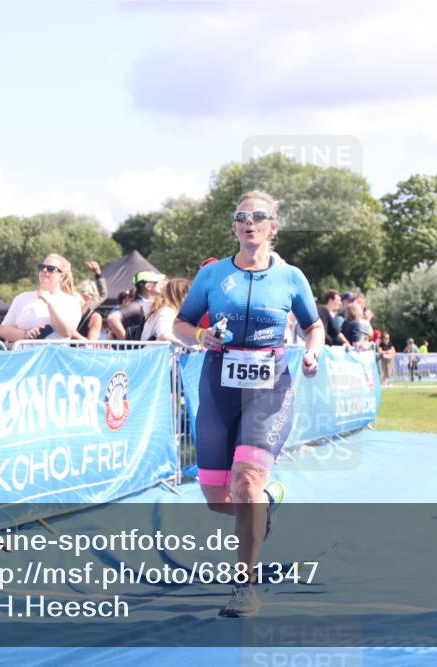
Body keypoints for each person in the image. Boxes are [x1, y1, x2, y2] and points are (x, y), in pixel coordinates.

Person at [174, 190, 323, 618]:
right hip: (218, 388)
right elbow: (182, 323)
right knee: (219, 499)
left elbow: (314, 326)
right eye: (241, 216)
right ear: (234, 226)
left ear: (272, 226)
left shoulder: (292, 277)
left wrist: (313, 352)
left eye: (258, 216)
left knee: (246, 487)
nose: (249, 222)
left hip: (270, 389)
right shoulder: (212, 276)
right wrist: (199, 336)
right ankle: (269, 501)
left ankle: (244, 587)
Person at [0, 254, 81, 344]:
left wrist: (49, 302)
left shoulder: (72, 302)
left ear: (62, 276)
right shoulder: (22, 298)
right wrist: (25, 335)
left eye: (50, 268)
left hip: (55, 356)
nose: (44, 270)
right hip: (25, 356)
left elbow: (67, 332)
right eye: (42, 267)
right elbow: (3, 330)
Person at [107, 270, 165, 340]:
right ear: (148, 286)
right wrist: (127, 341)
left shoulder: (148, 304)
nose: (161, 285)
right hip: (135, 349)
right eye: (158, 283)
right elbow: (112, 318)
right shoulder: (138, 305)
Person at [141, 277, 194, 347]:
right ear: (178, 295)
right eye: (188, 293)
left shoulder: (163, 310)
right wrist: (189, 347)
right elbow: (163, 336)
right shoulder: (167, 312)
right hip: (156, 356)